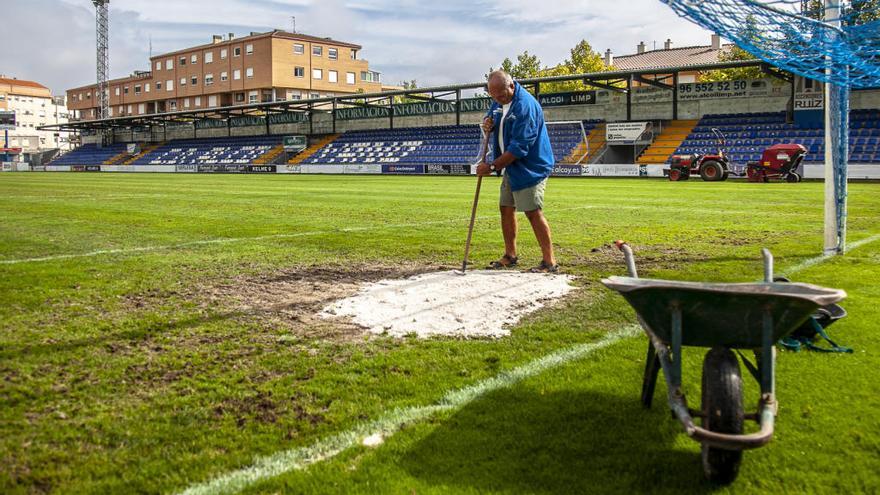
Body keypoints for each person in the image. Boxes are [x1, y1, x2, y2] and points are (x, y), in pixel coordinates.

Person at [476, 70, 558, 273]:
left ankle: (549, 261)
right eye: (493, 96)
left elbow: (520, 148)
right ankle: (510, 254)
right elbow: (493, 116)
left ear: (511, 86)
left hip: (531, 166)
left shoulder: (525, 107)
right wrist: (487, 122)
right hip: (510, 167)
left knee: (532, 212)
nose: (497, 100)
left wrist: (492, 166)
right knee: (505, 208)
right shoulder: (498, 99)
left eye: (501, 96)